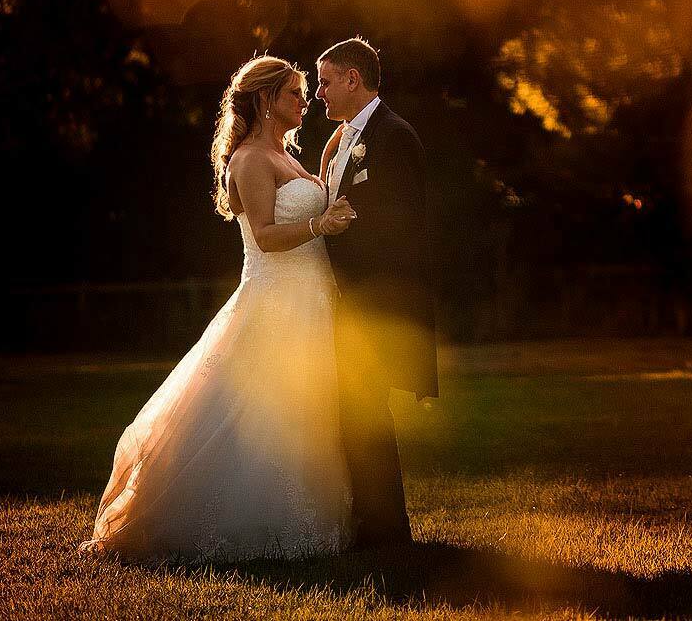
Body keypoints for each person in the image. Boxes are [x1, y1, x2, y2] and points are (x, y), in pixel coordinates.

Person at [83, 56, 357, 561]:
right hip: (275, 300)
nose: (304, 102)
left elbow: (307, 202)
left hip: (311, 297)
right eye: (295, 93)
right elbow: (268, 236)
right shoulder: (250, 159)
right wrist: (321, 226)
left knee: (307, 407)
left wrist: (329, 176)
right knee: (266, 410)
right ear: (265, 100)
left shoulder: (288, 154)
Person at [314, 36, 437, 549]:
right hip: (346, 301)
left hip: (375, 302)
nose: (319, 92)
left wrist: (340, 231)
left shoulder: (394, 137)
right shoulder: (342, 139)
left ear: (352, 78)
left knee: (368, 414)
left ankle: (387, 533)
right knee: (353, 414)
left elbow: (401, 227)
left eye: (325, 81)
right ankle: (372, 523)